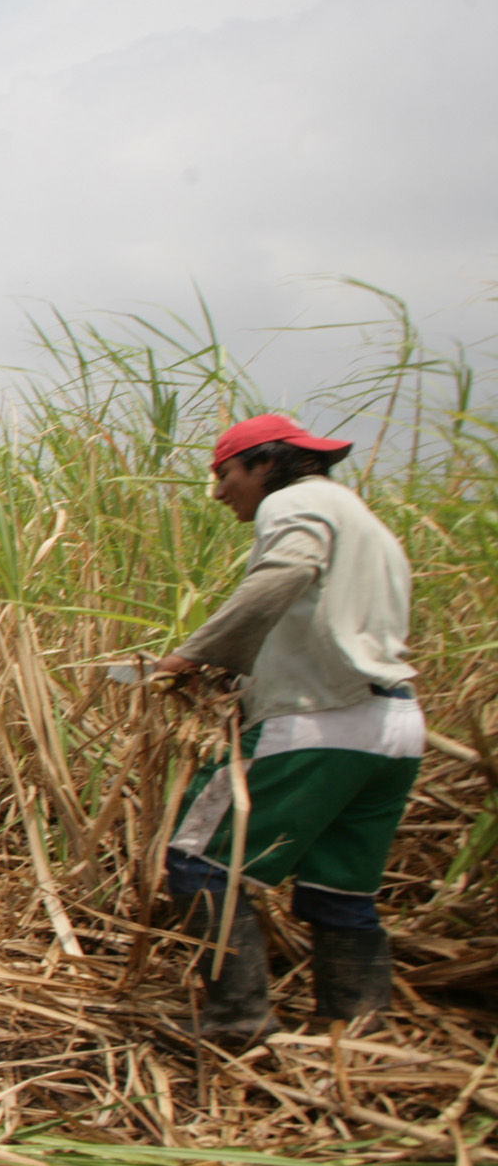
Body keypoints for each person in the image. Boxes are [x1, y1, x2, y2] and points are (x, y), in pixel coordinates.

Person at [154, 413, 421, 1041]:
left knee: (197, 860)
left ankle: (237, 1019)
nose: (218, 492)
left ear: (266, 464)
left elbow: (285, 574)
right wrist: (237, 684)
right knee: (340, 888)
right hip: (393, 726)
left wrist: (192, 654)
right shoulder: (365, 523)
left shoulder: (296, 501)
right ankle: (353, 1027)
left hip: (319, 724)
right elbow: (329, 626)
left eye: (224, 474)